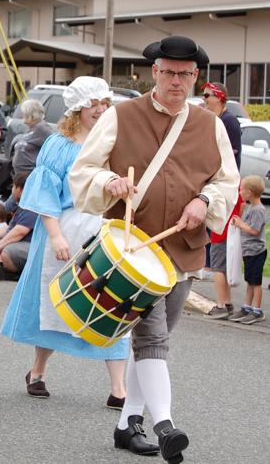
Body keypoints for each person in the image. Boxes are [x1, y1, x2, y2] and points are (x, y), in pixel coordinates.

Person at [69, 36, 239, 463]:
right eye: (168, 73)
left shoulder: (211, 125)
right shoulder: (121, 116)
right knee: (152, 337)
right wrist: (109, 182)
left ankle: (128, 423)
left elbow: (226, 181)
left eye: (184, 74)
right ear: (154, 73)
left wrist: (205, 201)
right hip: (130, 250)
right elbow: (83, 170)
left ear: (195, 76)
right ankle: (165, 426)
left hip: (182, 248)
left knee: (153, 344)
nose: (175, 81)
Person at [0, 77, 130, 411]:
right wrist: (56, 235)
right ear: (77, 109)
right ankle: (38, 370)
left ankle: (119, 388)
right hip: (64, 228)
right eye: (93, 105)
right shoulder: (60, 144)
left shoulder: (115, 142)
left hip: (104, 231)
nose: (100, 110)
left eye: (105, 103)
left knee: (113, 304)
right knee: (55, 301)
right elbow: (45, 193)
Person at [202, 81, 243, 319]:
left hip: (226, 188)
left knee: (220, 242)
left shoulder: (228, 122)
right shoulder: (214, 119)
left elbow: (229, 158)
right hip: (213, 185)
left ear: (220, 97)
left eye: (208, 95)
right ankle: (224, 300)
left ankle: (223, 302)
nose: (204, 99)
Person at [228, 175, 266, 324]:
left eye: (241, 189)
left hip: (256, 252)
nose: (240, 192)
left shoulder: (258, 210)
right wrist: (240, 221)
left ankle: (257, 311)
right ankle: (247, 307)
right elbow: (247, 225)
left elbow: (254, 231)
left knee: (256, 282)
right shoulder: (251, 208)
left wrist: (240, 225)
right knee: (250, 281)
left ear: (249, 192)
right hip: (249, 251)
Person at [0, 172, 37, 277]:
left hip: (32, 246)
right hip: (21, 243)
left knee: (4, 251)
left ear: (20, 190)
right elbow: (10, 230)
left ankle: (13, 274)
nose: (12, 189)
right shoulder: (23, 205)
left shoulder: (32, 206)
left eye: (14, 186)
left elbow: (19, 232)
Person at [12, 99, 52, 175]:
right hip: (20, 175)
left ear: (31, 114)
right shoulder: (31, 127)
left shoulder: (42, 128)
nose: (21, 115)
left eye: (23, 113)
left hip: (31, 175)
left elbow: (54, 149)